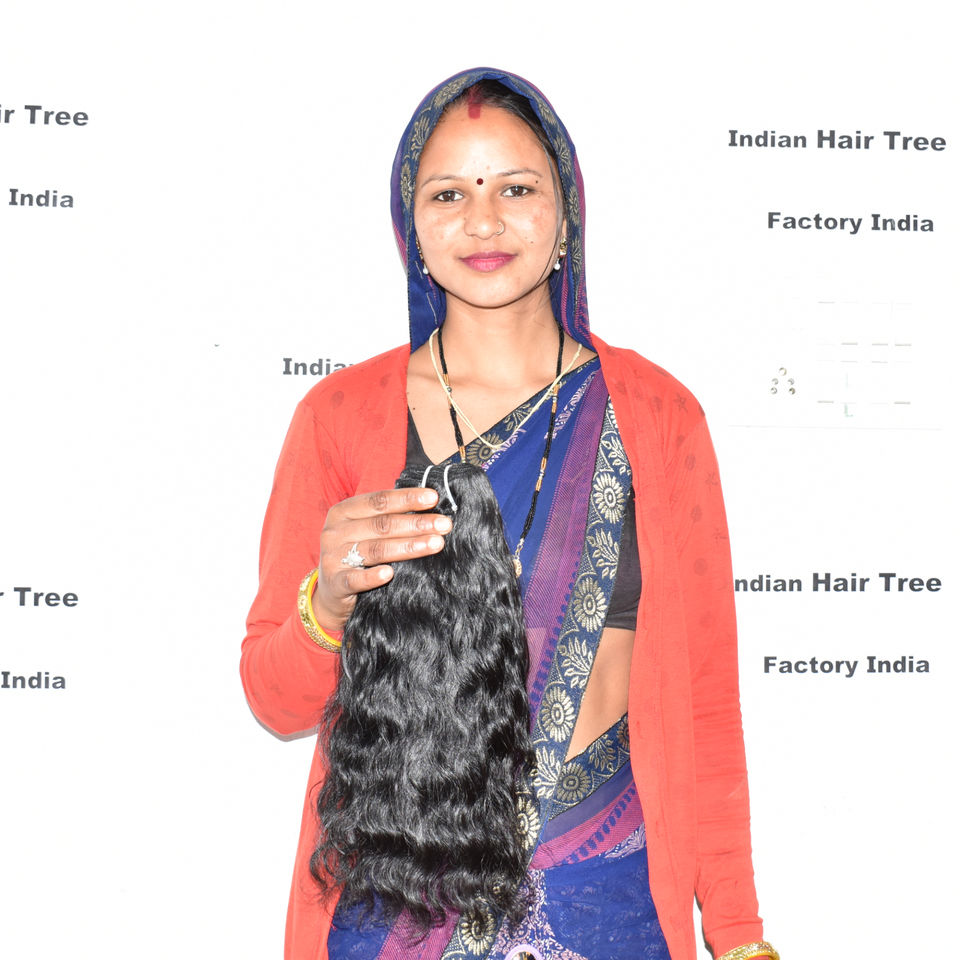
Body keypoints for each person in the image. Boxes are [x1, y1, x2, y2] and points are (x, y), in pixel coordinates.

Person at [241, 68, 777, 960]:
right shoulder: (338, 417)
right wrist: (326, 604)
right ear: (411, 225)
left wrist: (738, 933)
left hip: (605, 896)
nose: (483, 222)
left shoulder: (656, 414)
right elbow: (274, 694)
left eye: (516, 189)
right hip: (398, 903)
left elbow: (706, 703)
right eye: (449, 193)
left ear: (566, 217)